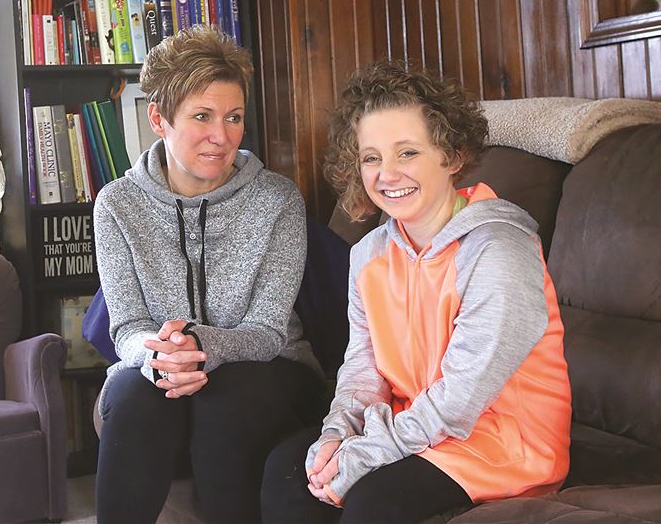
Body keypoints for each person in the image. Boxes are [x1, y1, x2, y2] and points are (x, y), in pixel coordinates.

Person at [262, 61, 571, 524]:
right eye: (371, 157)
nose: (387, 173)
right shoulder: (369, 254)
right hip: (413, 426)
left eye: (407, 153)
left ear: (449, 156)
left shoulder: (498, 248)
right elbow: (363, 367)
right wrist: (335, 436)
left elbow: (462, 398)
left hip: (501, 441)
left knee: (374, 502)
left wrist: (363, 456)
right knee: (287, 470)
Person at [94, 26, 322, 524]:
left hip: (271, 370)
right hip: (167, 365)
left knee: (223, 397)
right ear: (159, 118)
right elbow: (126, 326)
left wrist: (199, 345)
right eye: (202, 116)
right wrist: (158, 356)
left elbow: (265, 332)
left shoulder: (277, 199)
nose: (222, 136)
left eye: (234, 117)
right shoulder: (117, 203)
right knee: (134, 395)